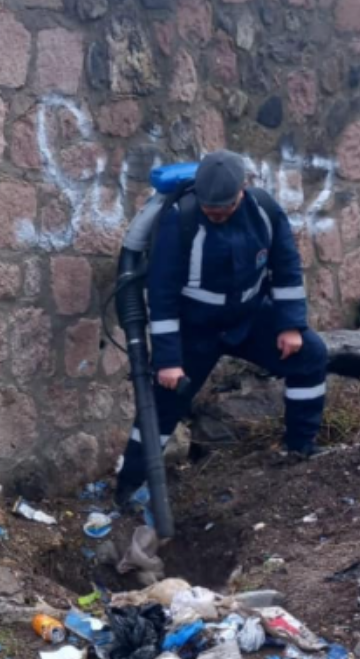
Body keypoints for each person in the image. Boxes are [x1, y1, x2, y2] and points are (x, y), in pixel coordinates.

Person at [117, 150, 330, 503]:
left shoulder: (264, 210)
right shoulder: (178, 221)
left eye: (225, 208)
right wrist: (168, 360)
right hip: (194, 332)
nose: (216, 214)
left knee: (311, 355)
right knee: (162, 407)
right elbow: (162, 293)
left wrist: (290, 324)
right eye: (209, 209)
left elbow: (287, 266)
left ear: (242, 192)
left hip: (247, 319)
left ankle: (300, 448)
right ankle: (129, 488)